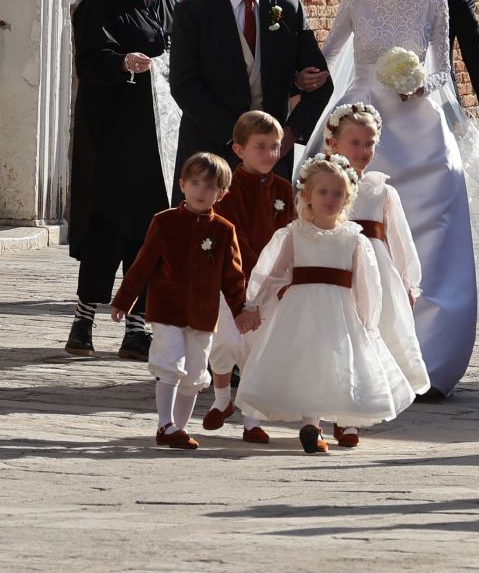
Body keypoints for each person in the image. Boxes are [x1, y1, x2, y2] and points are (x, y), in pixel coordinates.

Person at [303, 0, 478, 399]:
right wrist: (304, 81)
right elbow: (328, 53)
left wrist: (424, 83)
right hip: (362, 116)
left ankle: (432, 356)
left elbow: (443, 69)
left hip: (417, 120)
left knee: (431, 233)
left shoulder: (435, 2)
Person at [235, 154, 414, 454]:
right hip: (300, 309)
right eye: (322, 192)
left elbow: (367, 283)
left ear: (347, 198)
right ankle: (311, 425)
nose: (330, 199)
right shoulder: (295, 233)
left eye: (337, 193)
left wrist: (368, 321)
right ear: (306, 195)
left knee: (333, 364)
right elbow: (274, 273)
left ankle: (331, 423)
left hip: (339, 311)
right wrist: (253, 304)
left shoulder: (354, 237)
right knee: (307, 362)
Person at [66, 0, 178, 360]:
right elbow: (92, 60)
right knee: (105, 224)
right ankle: (84, 320)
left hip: (156, 137)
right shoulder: (100, 5)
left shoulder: (169, 4)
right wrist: (123, 63)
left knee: (150, 228)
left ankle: (137, 329)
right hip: (110, 134)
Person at [169, 0, 333, 188]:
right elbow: (184, 85)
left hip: (272, 158)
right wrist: (237, 138)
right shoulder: (193, 12)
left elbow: (321, 81)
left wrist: (290, 133)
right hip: (211, 152)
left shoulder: (288, 10)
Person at [111, 152, 252, 450]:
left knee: (197, 371)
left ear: (221, 193)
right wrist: (125, 299)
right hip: (167, 309)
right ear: (182, 185)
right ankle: (165, 423)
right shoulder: (164, 222)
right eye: (196, 182)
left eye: (211, 185)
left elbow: (233, 277)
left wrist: (240, 310)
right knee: (170, 361)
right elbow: (143, 264)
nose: (202, 190)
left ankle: (179, 428)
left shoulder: (225, 231)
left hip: (202, 315)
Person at [324, 102, 430, 447]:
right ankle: (335, 408)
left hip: (376, 276)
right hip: (335, 272)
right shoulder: (321, 183)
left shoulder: (382, 190)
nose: (363, 151)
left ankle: (351, 418)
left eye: (369, 144)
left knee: (369, 338)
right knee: (338, 339)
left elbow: (400, 239)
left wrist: (408, 280)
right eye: (354, 143)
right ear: (334, 143)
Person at [201, 111, 294, 443]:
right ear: (239, 150)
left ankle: (252, 420)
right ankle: (222, 399)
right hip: (234, 282)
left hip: (271, 284)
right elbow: (231, 236)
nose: (269, 154)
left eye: (275, 147)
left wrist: (280, 277)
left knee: (258, 350)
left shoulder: (285, 189)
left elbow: (289, 235)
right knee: (226, 343)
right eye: (261, 147)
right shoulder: (227, 192)